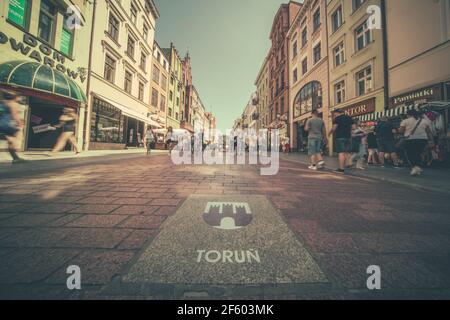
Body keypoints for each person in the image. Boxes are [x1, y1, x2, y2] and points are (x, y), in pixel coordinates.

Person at [399, 110, 434, 176]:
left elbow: (401, 131)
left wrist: (399, 129)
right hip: (423, 140)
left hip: (410, 140)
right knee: (418, 153)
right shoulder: (424, 121)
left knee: (410, 154)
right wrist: (431, 141)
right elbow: (429, 132)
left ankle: (415, 167)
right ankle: (417, 167)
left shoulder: (405, 121)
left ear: (409, 115)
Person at [0, 90, 24, 163]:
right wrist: (20, 123)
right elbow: (15, 115)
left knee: (10, 140)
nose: (21, 98)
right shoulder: (14, 104)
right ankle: (15, 158)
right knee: (14, 139)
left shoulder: (3, 103)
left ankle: (15, 157)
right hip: (7, 124)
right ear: (16, 97)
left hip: (2, 123)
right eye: (20, 97)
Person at [329, 109, 353, 174]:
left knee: (341, 153)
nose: (334, 115)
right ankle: (349, 163)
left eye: (334, 114)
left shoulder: (337, 119)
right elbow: (353, 127)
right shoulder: (349, 117)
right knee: (347, 152)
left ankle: (341, 169)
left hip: (340, 137)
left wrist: (330, 133)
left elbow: (334, 128)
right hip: (348, 137)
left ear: (337, 113)